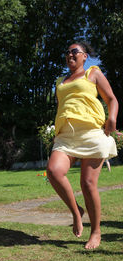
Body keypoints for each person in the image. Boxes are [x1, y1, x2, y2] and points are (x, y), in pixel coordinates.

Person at [47, 41, 119, 249]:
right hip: (66, 136)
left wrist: (112, 118)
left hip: (91, 133)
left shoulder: (93, 73)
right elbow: (63, 106)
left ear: (85, 56)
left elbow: (112, 99)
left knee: (87, 184)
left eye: (74, 52)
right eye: (67, 52)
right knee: (53, 171)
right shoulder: (61, 81)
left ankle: (96, 232)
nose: (70, 55)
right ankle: (76, 211)